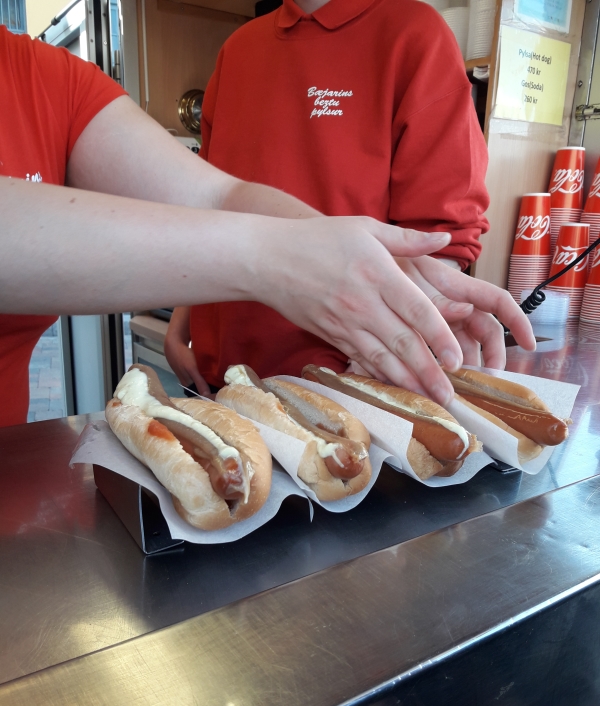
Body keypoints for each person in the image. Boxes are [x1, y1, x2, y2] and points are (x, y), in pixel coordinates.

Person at [0, 25, 534, 428]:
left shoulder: (44, 75)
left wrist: (373, 264)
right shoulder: (240, 50)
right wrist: (272, 260)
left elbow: (217, 196)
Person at [166, 0, 500, 397]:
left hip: (340, 385)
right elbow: (211, 202)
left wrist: (379, 359)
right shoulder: (238, 48)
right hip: (218, 378)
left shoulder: (413, 33)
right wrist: (180, 322)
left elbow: (439, 235)